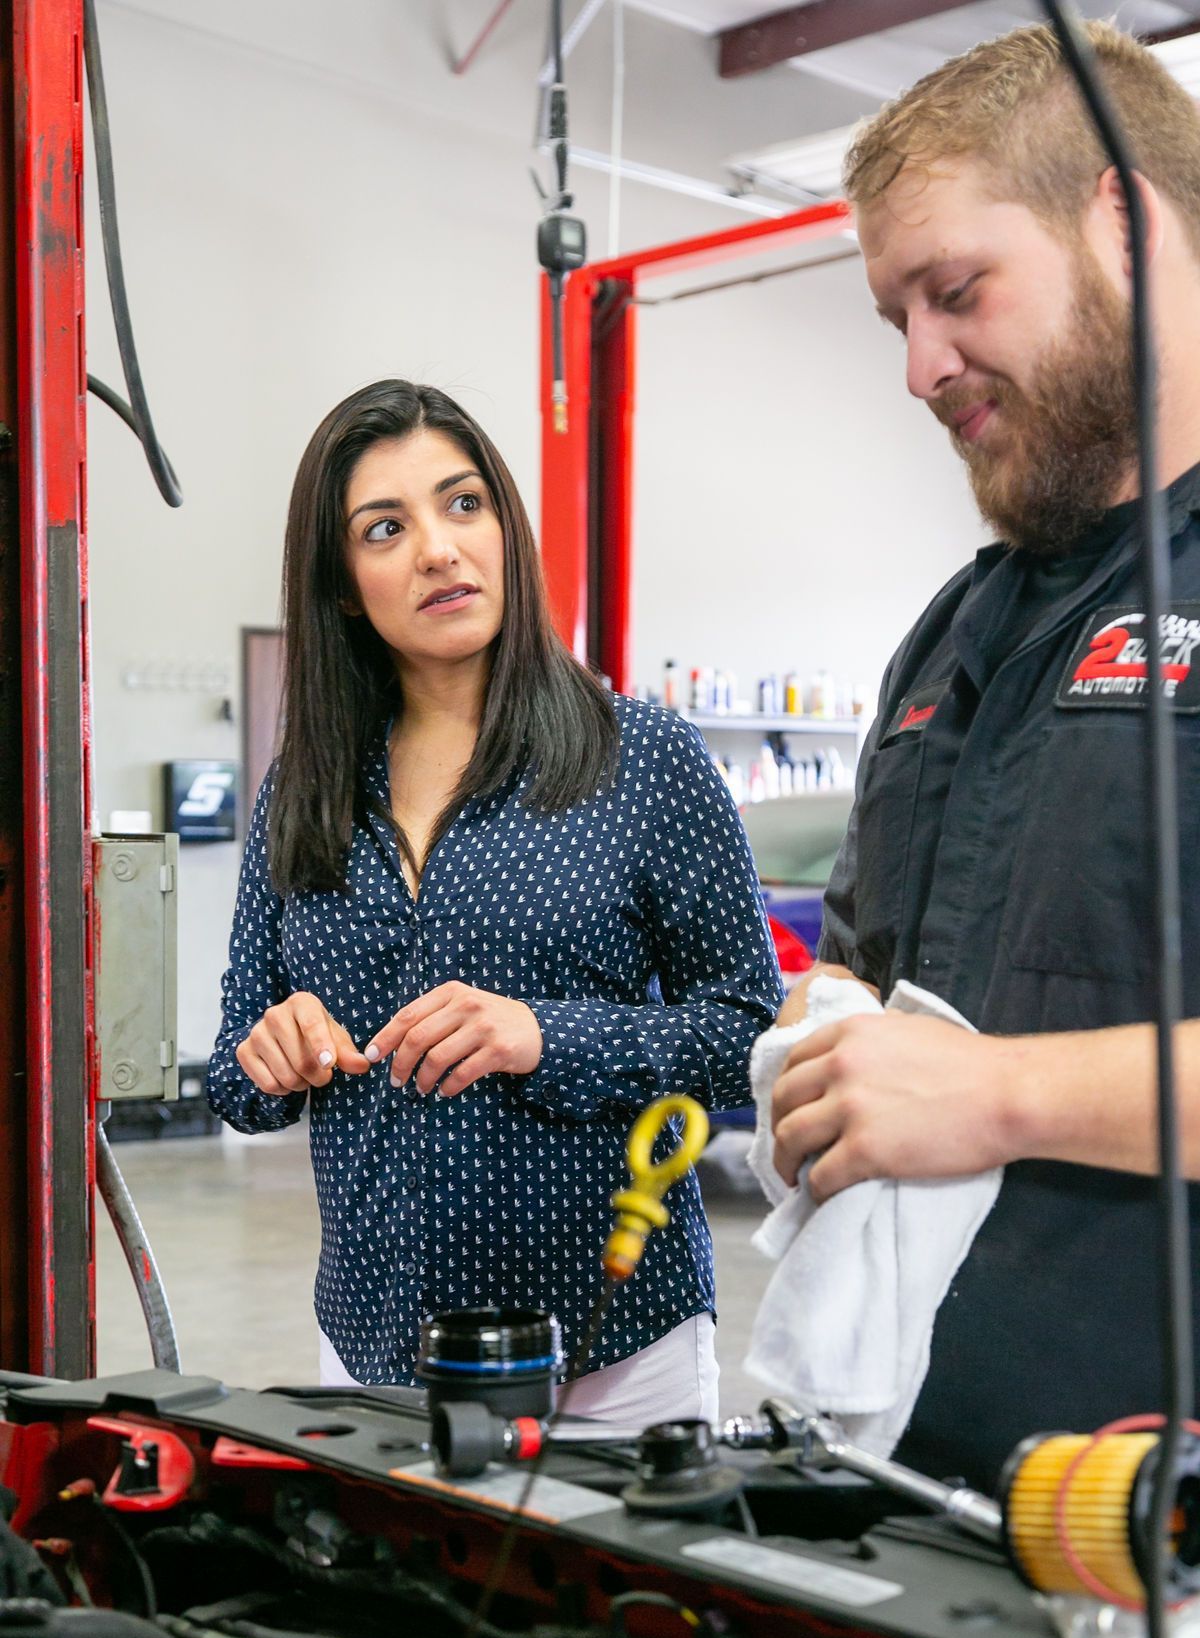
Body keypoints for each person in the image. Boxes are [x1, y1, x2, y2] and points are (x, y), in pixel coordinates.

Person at [769, 21, 1200, 1491]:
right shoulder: (954, 633)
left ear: (1124, 227)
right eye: (896, 315)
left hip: (1158, 1535)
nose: (919, 367)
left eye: (956, 293)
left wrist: (1001, 1094)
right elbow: (876, 994)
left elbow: (970, 1082)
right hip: (914, 1490)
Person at [207, 378, 782, 1424]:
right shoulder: (306, 789)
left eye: (462, 504)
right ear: (343, 585)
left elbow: (745, 1029)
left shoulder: (642, 759)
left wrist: (541, 1036)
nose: (437, 547)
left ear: (506, 530)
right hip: (378, 1347)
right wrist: (272, 1050)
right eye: (386, 528)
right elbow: (238, 1074)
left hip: (613, 1351)